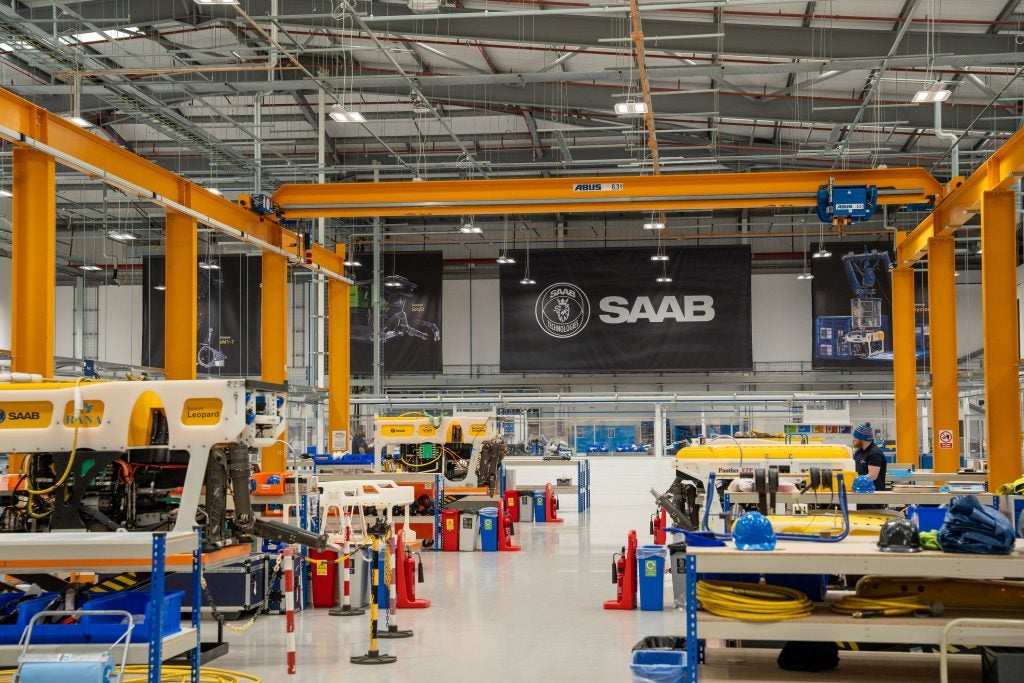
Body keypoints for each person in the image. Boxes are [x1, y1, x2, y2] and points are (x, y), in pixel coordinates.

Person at [852, 422, 887, 493]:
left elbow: (872, 476)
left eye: (855, 438)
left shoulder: (875, 453)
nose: (853, 440)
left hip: (873, 494)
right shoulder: (859, 452)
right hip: (860, 491)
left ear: (862, 439)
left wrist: (854, 481)